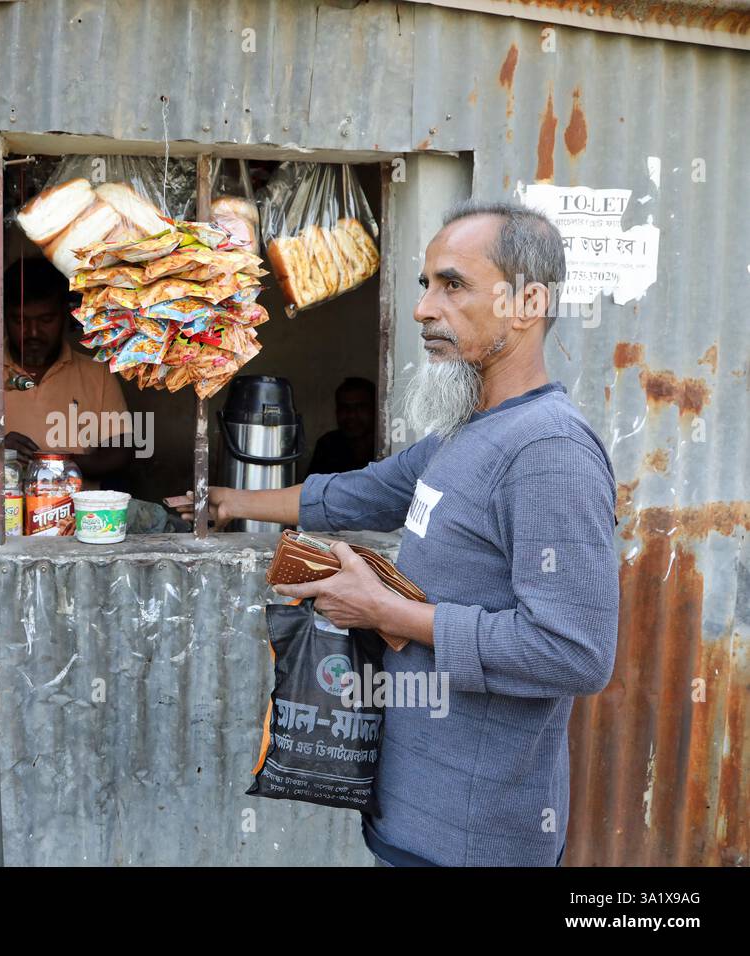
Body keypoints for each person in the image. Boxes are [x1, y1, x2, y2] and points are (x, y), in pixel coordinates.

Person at [179, 200, 618, 866]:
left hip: (474, 839)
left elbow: (573, 654)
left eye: (452, 285)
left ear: (528, 303)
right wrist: (230, 500)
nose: (422, 309)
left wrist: (387, 611)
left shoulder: (548, 451)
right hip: (407, 815)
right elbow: (368, 490)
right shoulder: (465, 430)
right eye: (425, 287)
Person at [0, 258, 134, 483]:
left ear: (66, 315)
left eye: (46, 320)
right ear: (4, 318)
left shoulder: (96, 374)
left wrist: (51, 464)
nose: (33, 332)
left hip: (77, 515)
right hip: (0, 516)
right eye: (20, 320)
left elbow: (120, 454)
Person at [307, 377, 376, 475]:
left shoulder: (387, 446)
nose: (351, 415)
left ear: (375, 409)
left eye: (360, 407)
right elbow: (313, 487)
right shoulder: (328, 444)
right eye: (344, 408)